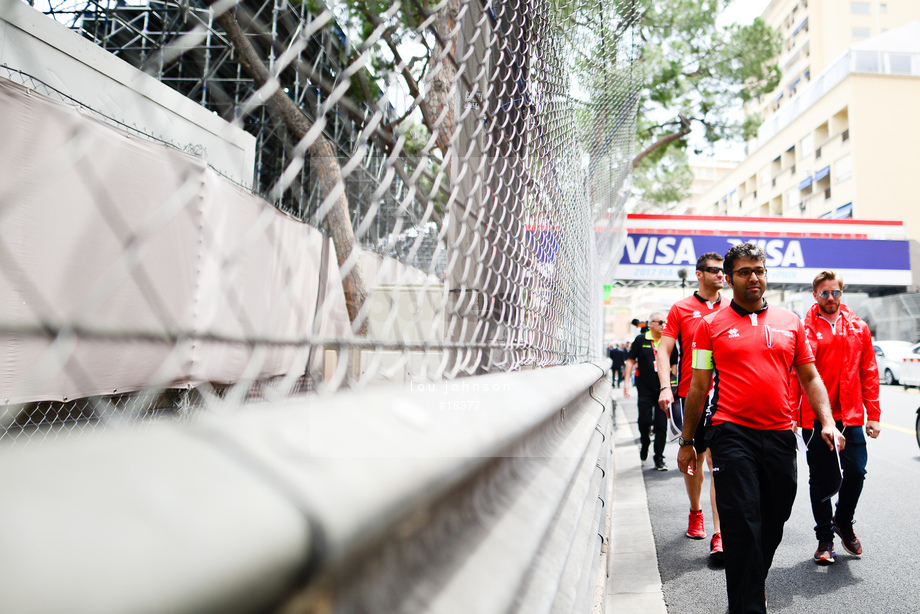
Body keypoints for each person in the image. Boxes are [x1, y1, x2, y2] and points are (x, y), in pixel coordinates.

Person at [677, 242, 845, 614]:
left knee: (774, 519)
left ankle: (753, 580)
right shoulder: (709, 327)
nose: (754, 278)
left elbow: (810, 376)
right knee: (742, 524)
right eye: (744, 272)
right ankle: (748, 606)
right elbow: (699, 385)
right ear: (730, 278)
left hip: (781, 435)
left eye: (760, 271)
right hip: (730, 432)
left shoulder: (791, 322)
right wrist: (688, 440)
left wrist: (828, 422)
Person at [795, 270, 880, 565]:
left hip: (851, 413)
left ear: (842, 294)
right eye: (824, 293)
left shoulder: (858, 328)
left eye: (836, 293)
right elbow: (795, 376)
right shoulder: (802, 329)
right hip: (814, 416)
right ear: (815, 295)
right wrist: (793, 413)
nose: (830, 298)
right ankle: (824, 540)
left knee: (856, 472)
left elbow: (868, 372)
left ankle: (843, 520)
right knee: (820, 479)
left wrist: (874, 415)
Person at [657, 253, 726, 559]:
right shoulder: (681, 308)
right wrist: (664, 387)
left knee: (719, 464)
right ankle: (695, 511)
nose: (720, 275)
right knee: (693, 460)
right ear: (699, 274)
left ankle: (720, 532)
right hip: (691, 394)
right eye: (713, 270)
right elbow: (664, 349)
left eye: (723, 271)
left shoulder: (732, 307)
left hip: (725, 397)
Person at [625, 312, 676, 471]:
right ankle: (645, 442)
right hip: (645, 389)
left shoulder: (668, 340)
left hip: (663, 389)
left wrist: (672, 384)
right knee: (644, 421)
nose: (663, 325)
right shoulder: (641, 340)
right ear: (650, 323)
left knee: (661, 425)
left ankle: (659, 457)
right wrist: (626, 382)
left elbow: (674, 363)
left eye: (665, 322)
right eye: (660, 322)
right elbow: (630, 361)